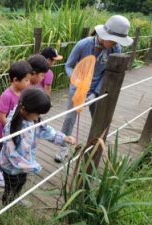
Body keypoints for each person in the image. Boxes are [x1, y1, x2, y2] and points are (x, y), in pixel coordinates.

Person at [55, 15, 133, 163]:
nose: (116, 43)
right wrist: (77, 81)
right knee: (70, 119)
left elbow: (106, 73)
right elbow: (69, 65)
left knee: (98, 117)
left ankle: (96, 144)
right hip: (77, 89)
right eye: (113, 39)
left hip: (97, 90)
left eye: (118, 40)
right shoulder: (83, 44)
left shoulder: (116, 49)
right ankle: (63, 148)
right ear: (103, 35)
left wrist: (95, 93)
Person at [0, 88, 76, 205]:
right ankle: (7, 206)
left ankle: (16, 199)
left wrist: (63, 138)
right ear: (24, 109)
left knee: (21, 183)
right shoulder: (12, 127)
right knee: (10, 188)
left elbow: (46, 130)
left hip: (24, 166)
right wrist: (31, 166)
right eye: (37, 114)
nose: (38, 117)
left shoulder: (33, 118)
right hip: (11, 167)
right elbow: (12, 154)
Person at [0, 60, 33, 187]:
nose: (29, 83)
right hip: (3, 133)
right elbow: (1, 116)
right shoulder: (6, 96)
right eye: (26, 80)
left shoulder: (23, 93)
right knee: (0, 153)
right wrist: (10, 130)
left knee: (10, 153)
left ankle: (8, 171)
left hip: (16, 131)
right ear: (15, 80)